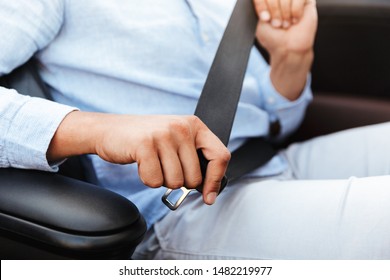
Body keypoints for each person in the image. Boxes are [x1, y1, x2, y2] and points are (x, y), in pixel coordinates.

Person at [1, 0, 390, 259]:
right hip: (179, 212)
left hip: (264, 160)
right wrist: (100, 129)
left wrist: (291, 56)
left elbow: (273, 124)